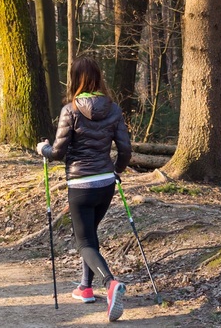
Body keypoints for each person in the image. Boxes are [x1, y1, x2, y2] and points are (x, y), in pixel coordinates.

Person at [36, 56, 132, 322]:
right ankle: (85, 288)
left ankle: (110, 284)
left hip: (80, 184)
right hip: (106, 183)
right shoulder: (113, 109)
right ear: (98, 77)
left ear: (75, 79)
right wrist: (117, 170)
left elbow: (57, 152)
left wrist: (41, 149)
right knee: (91, 235)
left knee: (84, 242)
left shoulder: (71, 109)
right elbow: (125, 149)